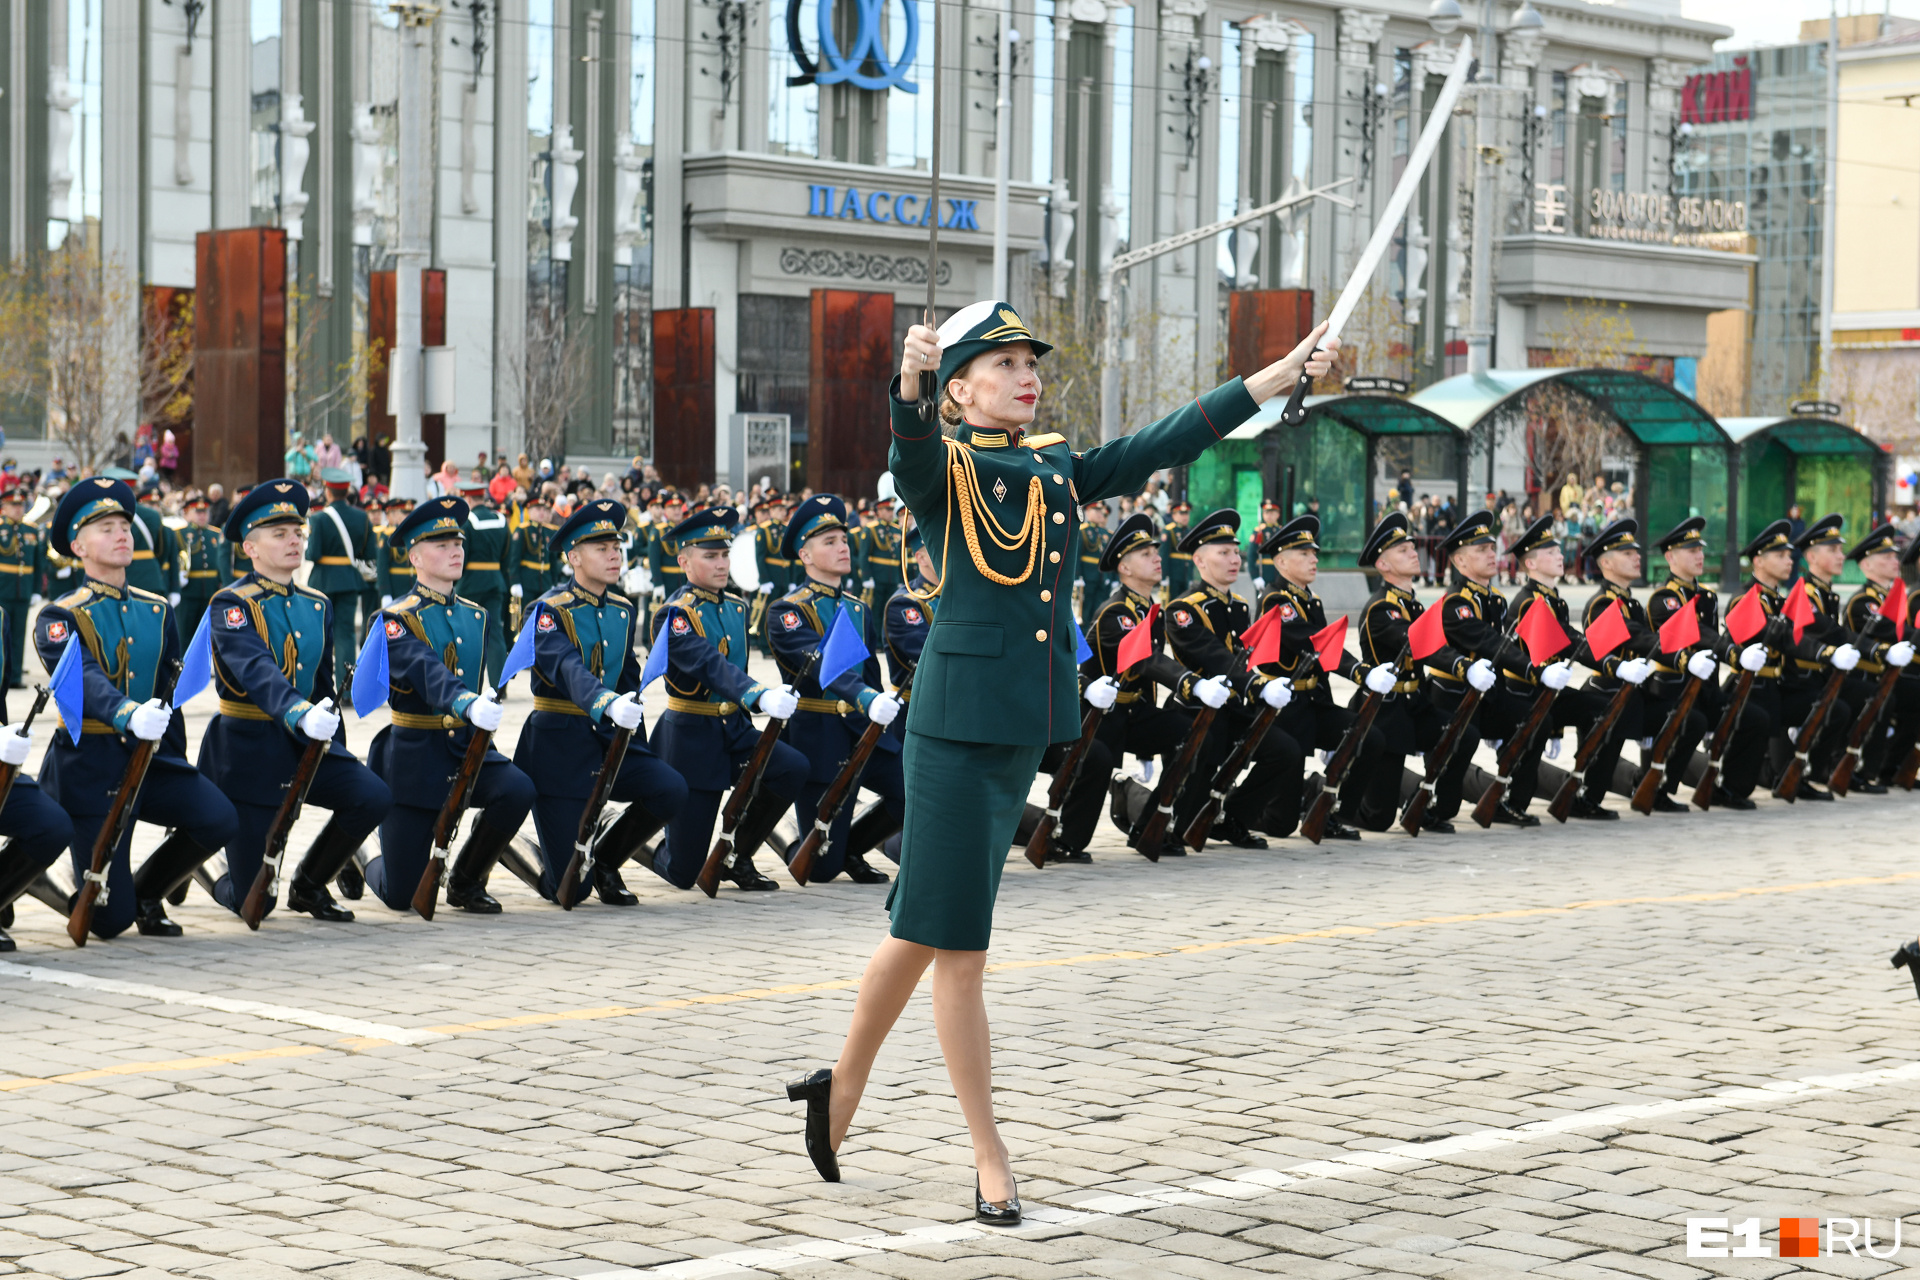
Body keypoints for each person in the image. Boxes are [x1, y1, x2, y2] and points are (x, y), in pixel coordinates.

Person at [786, 299, 1338, 1222]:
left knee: (920, 926)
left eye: (1027, 359)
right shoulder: (944, 466)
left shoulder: (1050, 467)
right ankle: (988, 1152)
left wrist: (1272, 379)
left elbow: (1156, 443)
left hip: (1014, 728)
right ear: (961, 388)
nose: (1023, 372)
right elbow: (908, 451)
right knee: (959, 946)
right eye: (999, 364)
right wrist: (911, 385)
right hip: (956, 730)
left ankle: (838, 1088)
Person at [32, 478, 238, 938]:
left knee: (218, 817)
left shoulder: (157, 609)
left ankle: (149, 892)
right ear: (77, 546)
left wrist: (177, 758)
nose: (122, 533)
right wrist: (127, 712)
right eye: (106, 527)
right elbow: (83, 680)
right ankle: (41, 883)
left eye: (124, 524)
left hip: (151, 761)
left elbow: (170, 692)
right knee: (108, 921)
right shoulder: (60, 616)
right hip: (90, 766)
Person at [194, 482, 392, 921]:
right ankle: (204, 863)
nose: (294, 541)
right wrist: (300, 713)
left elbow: (324, 686)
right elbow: (257, 672)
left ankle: (309, 883)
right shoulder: (231, 604)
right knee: (253, 904)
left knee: (371, 795)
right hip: (249, 748)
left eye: (297, 533)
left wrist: (336, 748)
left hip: (304, 742)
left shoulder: (317, 603)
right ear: (250, 547)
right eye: (279, 534)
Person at [359, 498, 534, 913]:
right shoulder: (393, 620)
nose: (456, 550)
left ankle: (467, 879)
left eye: (458, 542)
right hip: (415, 755)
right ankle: (364, 848)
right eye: (441, 545)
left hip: (465, 747)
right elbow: (423, 669)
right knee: (402, 896)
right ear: (415, 557)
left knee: (517, 789)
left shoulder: (476, 615)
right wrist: (466, 701)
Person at [515, 499, 687, 905]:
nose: (614, 556)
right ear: (574, 557)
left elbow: (629, 680)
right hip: (559, 747)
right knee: (570, 891)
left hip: (607, 740)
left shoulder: (623, 609)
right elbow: (567, 666)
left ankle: (606, 859)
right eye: (601, 549)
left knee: (669, 788)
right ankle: (510, 849)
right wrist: (605, 701)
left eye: (616, 547)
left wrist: (637, 745)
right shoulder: (546, 612)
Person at [647, 508, 806, 893]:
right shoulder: (675, 615)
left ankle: (737, 855)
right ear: (684, 562)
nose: (722, 564)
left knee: (791, 767)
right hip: (691, 739)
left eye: (725, 555)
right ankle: (642, 839)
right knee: (685, 872)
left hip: (733, 731)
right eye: (710, 556)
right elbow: (709, 664)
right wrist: (758, 693)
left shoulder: (736, 607)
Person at [767, 495, 906, 883]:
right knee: (821, 871)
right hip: (819, 734)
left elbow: (870, 673)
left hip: (862, 731)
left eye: (843, 540)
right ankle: (781, 834)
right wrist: (865, 697)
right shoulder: (787, 610)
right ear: (805, 556)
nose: (843, 547)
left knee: (909, 791)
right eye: (829, 542)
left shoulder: (857, 606)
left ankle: (851, 848)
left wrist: (882, 717)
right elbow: (820, 663)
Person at [1066, 513, 1196, 863]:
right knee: (1097, 763)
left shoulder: (1149, 610)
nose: (1157, 558)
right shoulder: (1115, 613)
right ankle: (1067, 839)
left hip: (1133, 711)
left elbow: (1147, 676)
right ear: (1123, 568)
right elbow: (1144, 661)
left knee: (1192, 735)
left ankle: (1152, 822)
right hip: (1099, 715)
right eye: (1145, 554)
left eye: (1155, 551)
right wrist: (1187, 681)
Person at [1163, 510, 1298, 845]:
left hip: (1234, 707)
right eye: (1223, 553)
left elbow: (1244, 656)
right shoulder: (1183, 609)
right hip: (1197, 710)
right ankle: (1149, 807)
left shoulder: (1238, 605)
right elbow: (1215, 657)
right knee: (1183, 824)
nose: (1234, 559)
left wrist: (1263, 681)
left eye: (1236, 552)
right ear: (1199, 560)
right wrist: (1257, 685)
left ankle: (1234, 817)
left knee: (1286, 752)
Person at [1256, 514, 1390, 839]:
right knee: (1281, 823)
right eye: (1304, 554)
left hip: (1314, 703)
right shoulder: (1275, 601)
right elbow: (1314, 643)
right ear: (1282, 561)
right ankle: (1235, 807)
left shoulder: (1309, 600)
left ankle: (1336, 813)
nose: (1314, 559)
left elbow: (1320, 663)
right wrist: (1359, 671)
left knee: (1368, 737)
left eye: (1314, 553)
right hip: (1287, 712)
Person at [1350, 513, 1464, 831]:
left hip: (1416, 704)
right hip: (1385, 713)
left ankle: (1427, 803)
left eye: (1413, 547)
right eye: (1403, 550)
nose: (1414, 552)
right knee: (1378, 818)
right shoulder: (1381, 609)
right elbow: (1421, 644)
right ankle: (1317, 792)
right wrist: (1460, 665)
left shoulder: (1413, 605)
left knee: (1462, 735)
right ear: (1383, 566)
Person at [1428, 512, 1534, 825]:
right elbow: (1489, 642)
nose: (1492, 555)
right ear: (1460, 562)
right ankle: (1437, 805)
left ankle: (1507, 797)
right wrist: (1532, 668)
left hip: (1487, 696)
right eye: (1482, 551)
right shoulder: (1455, 602)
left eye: (1492, 548)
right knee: (1465, 739)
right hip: (1453, 697)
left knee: (1533, 719)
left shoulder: (1495, 598)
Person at [1641, 517, 1730, 806]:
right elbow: (1694, 632)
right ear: (1670, 557)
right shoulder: (1665, 598)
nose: (1700, 556)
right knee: (1693, 723)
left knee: (1743, 714)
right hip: (1672, 688)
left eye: (1700, 550)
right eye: (1691, 550)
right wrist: (1729, 649)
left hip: (1703, 686)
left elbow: (1711, 650)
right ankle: (1662, 787)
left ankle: (1721, 780)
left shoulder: (1707, 596)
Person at [307, 469, 377, 688]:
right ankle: (346, 690)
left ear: (327, 491)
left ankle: (320, 686)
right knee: (345, 634)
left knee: (319, 634)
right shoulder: (361, 517)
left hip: (322, 581)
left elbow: (313, 554)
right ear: (347, 491)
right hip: (348, 580)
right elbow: (369, 553)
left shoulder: (319, 518)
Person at [457, 478, 513, 687]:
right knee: (495, 635)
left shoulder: (467, 521)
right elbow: (506, 555)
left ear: (468, 498)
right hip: (495, 581)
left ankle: (470, 682)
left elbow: (462, 554)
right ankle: (499, 686)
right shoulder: (500, 520)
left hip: (471, 584)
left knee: (470, 634)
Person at [0, 488, 45, 688]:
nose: (18, 509)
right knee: (1, 635)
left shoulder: (31, 530)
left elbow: (37, 564)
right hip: (2, 590)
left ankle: (15, 676)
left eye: (20, 505)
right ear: (4, 507)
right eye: (13, 505)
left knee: (19, 636)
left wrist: (36, 590)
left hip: (22, 590)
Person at [174, 493, 228, 644]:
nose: (202, 516)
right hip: (188, 591)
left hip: (211, 591)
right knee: (185, 633)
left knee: (209, 633)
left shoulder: (216, 534)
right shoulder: (179, 534)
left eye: (205, 512)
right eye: (198, 512)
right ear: (188, 513)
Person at [1076, 500, 1111, 629]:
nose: (1099, 514)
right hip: (1086, 576)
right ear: (1088, 511)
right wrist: (1077, 576)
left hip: (1101, 575)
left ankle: (1093, 631)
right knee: (1086, 607)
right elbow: (1077, 555)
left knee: (1099, 605)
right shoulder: (1083, 530)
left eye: (1100, 511)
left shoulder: (1103, 533)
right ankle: (1084, 633)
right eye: (1096, 510)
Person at [1245, 498, 1283, 593]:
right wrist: (1255, 577)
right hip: (1263, 575)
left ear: (1278, 514)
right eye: (1267, 513)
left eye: (1272, 513)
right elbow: (1251, 556)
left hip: (1279, 574)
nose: (1269, 515)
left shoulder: (1282, 532)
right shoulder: (1259, 532)